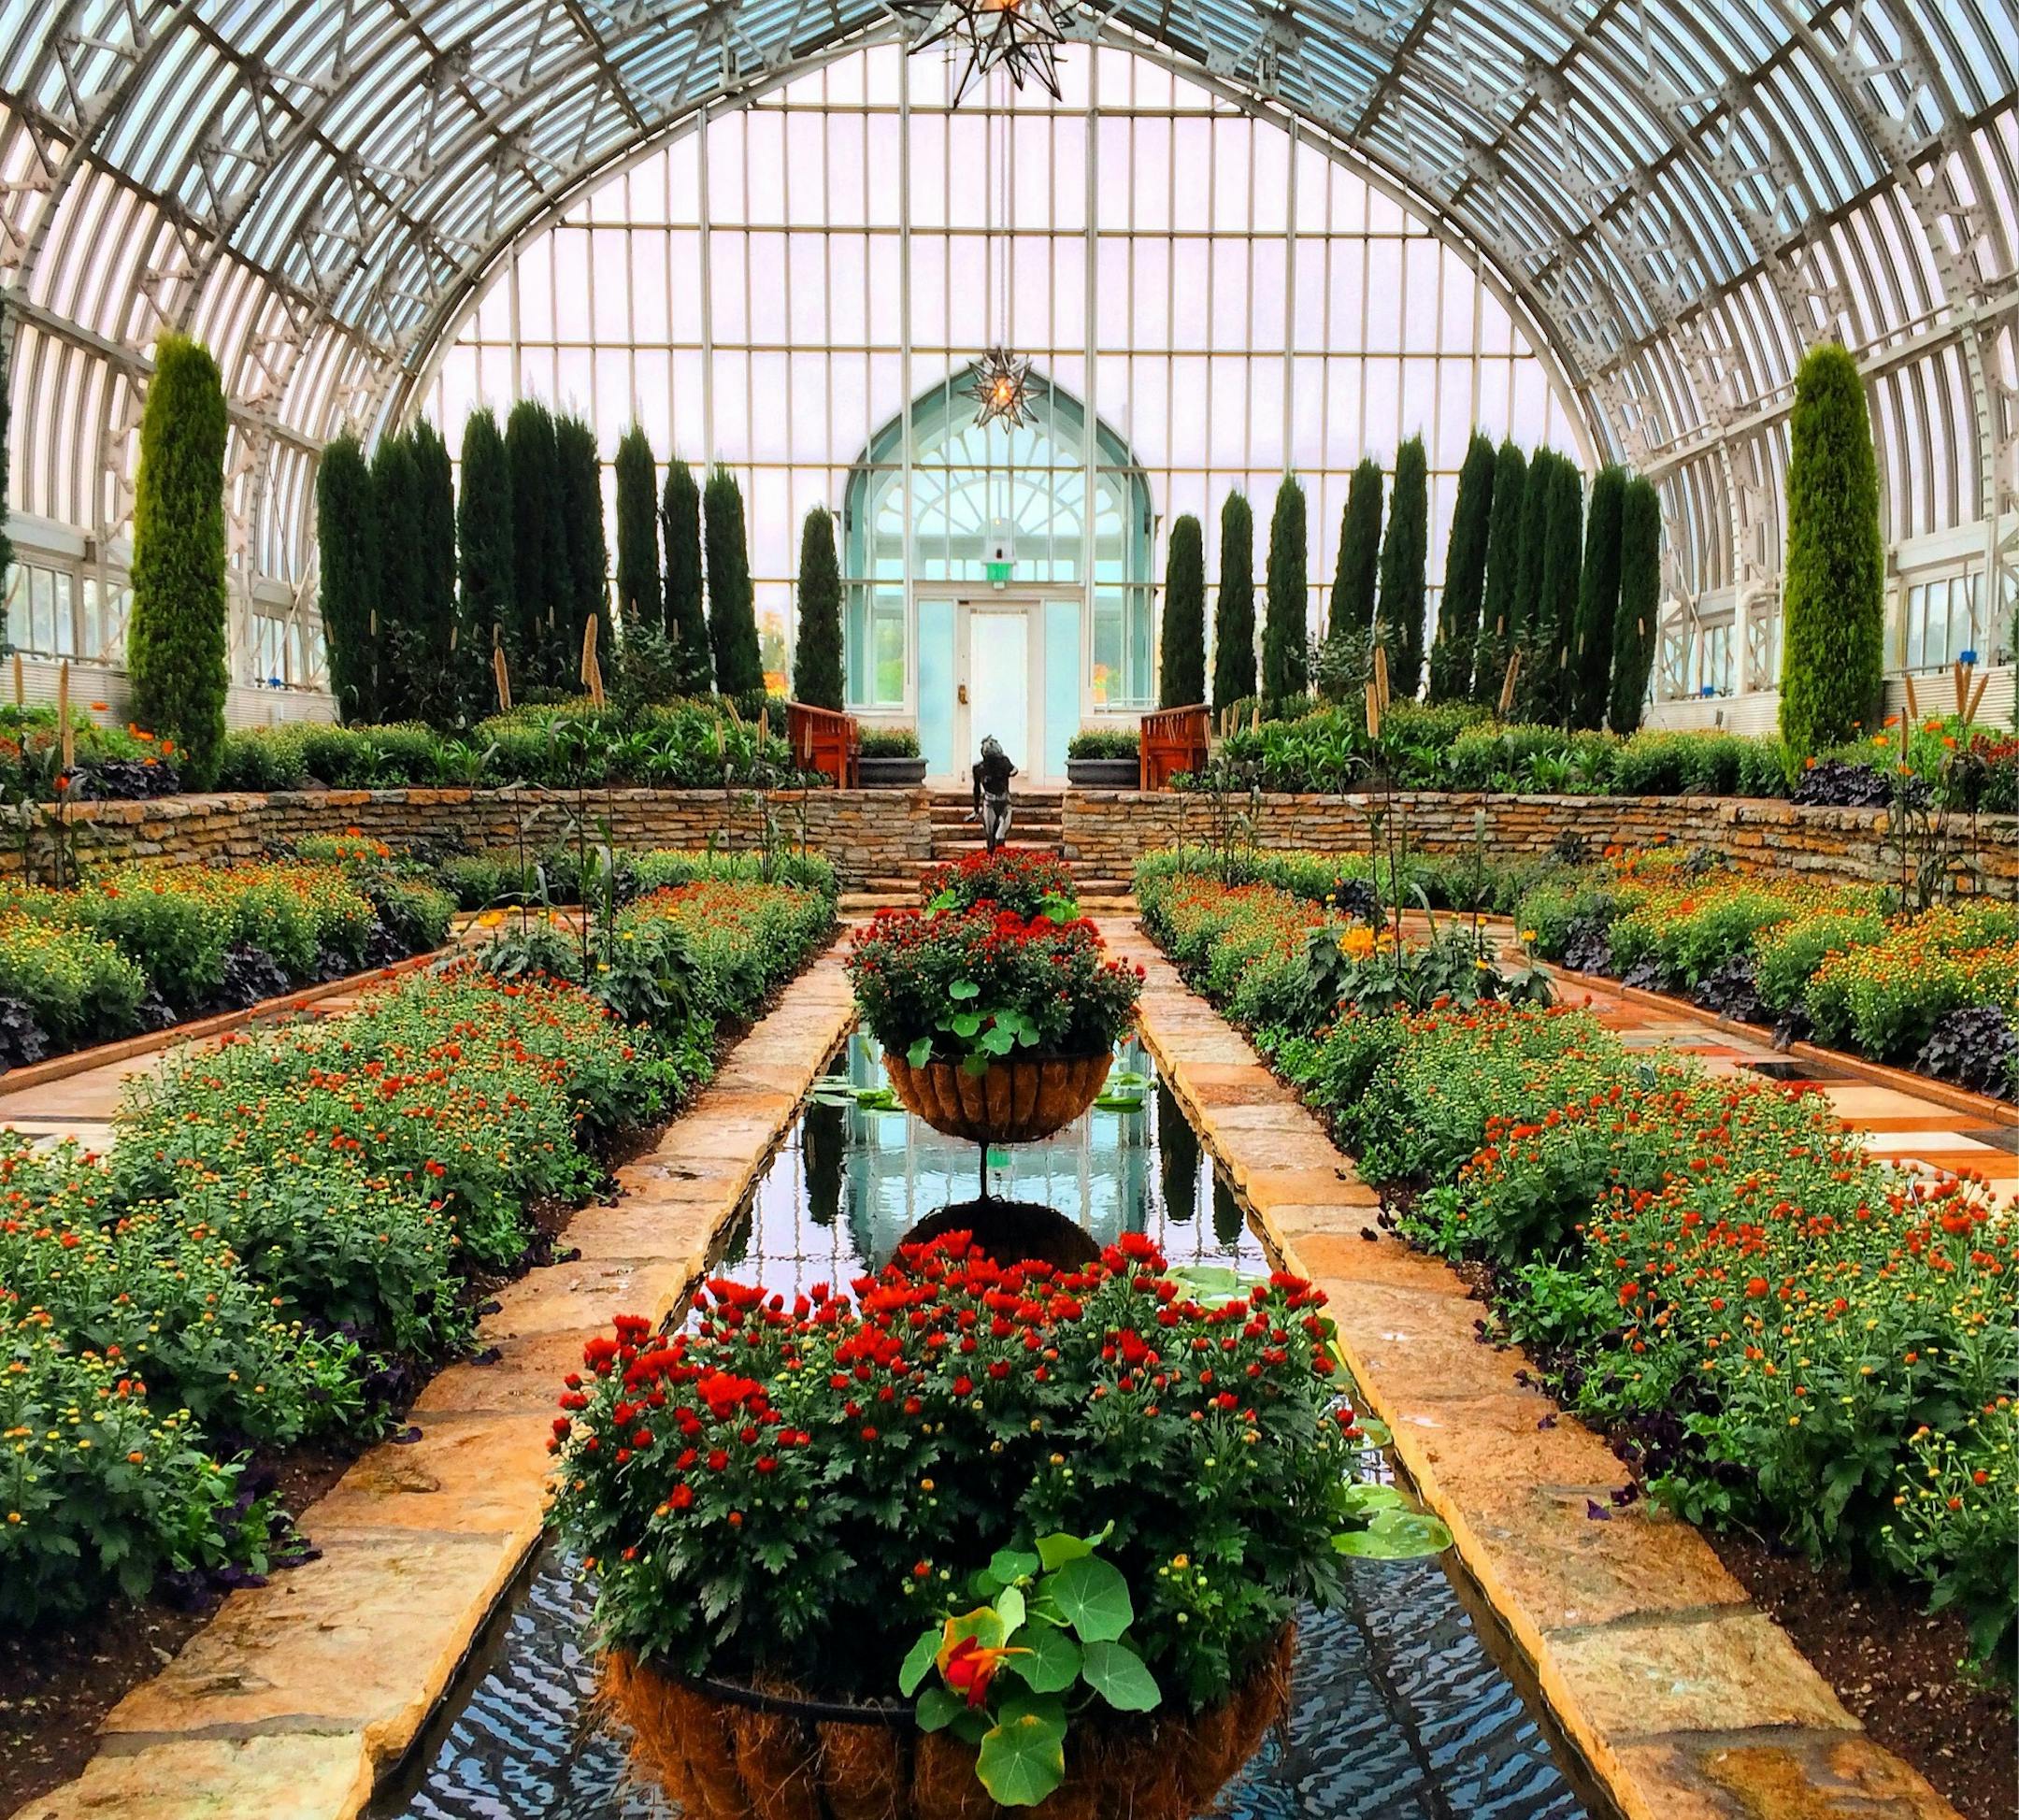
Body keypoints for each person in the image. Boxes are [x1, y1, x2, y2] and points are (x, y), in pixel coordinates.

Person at [970, 735, 1016, 853]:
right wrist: (975, 810)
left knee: (1000, 835)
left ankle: (1001, 862)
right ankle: (990, 864)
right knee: (990, 837)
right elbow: (976, 789)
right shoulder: (978, 768)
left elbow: (1014, 769)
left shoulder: (1004, 762)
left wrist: (1011, 773)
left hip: (1004, 802)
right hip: (989, 802)